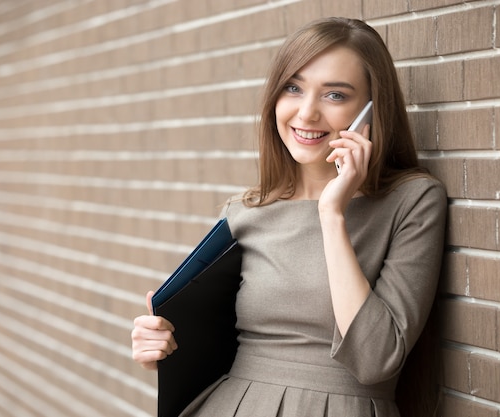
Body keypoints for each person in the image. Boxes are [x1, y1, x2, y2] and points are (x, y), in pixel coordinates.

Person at [131, 17, 447, 417]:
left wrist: (332, 214)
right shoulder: (245, 212)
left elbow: (375, 359)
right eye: (293, 88)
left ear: (370, 111)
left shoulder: (413, 201)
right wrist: (158, 346)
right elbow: (209, 346)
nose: (307, 112)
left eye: (335, 95)